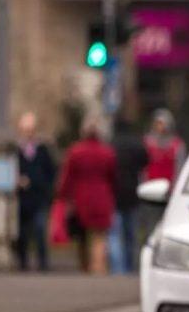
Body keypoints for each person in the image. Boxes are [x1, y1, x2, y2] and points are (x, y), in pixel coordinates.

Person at [57, 115, 117, 275]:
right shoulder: (107, 153)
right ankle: (98, 267)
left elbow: (67, 177)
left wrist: (62, 196)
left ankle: (85, 268)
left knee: (81, 236)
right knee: (99, 235)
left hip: (81, 198)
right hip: (102, 197)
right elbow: (113, 177)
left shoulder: (75, 151)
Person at [15, 112, 56, 271]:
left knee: (40, 229)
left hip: (39, 196)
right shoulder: (17, 151)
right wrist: (17, 180)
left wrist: (45, 188)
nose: (29, 133)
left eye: (31, 130)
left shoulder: (43, 150)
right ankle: (23, 263)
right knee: (23, 233)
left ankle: (43, 263)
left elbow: (51, 172)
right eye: (26, 130)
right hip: (23, 197)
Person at [108, 116, 148, 274]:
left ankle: (118, 268)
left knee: (115, 235)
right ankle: (131, 266)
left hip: (115, 195)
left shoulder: (111, 145)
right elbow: (146, 161)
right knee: (131, 234)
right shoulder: (136, 145)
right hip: (132, 194)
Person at [144, 108, 186, 185]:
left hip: (169, 187)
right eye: (158, 123)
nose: (160, 127)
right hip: (149, 187)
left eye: (162, 123)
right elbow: (143, 169)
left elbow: (180, 168)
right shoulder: (147, 143)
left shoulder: (177, 145)